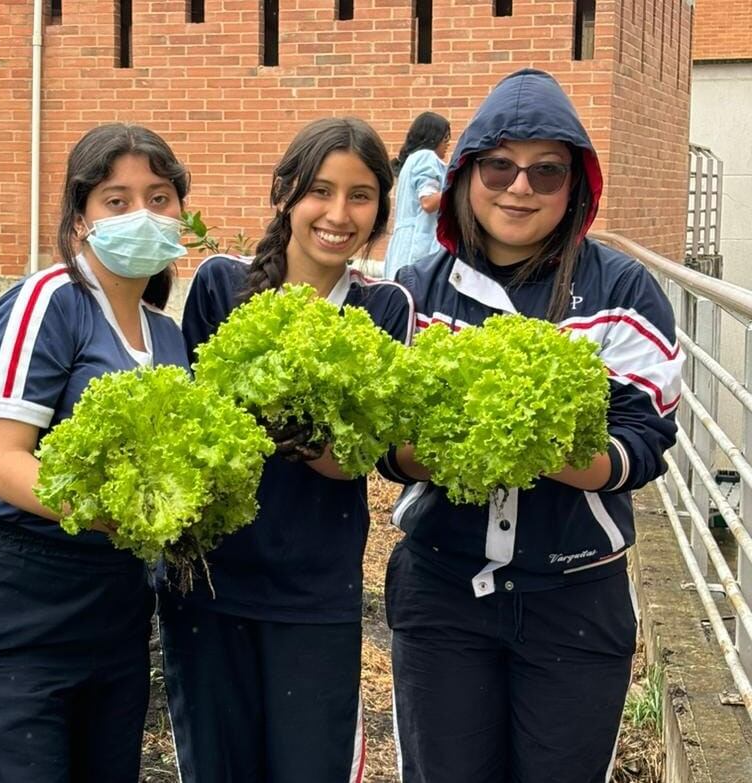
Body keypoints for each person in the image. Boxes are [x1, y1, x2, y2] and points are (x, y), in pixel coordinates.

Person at [380, 68, 684, 783]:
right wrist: (440, 449)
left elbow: (644, 441)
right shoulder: (416, 291)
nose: (520, 187)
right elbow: (386, 447)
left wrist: (543, 450)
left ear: (575, 183)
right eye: (500, 166)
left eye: (546, 172)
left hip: (574, 598)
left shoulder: (621, 291)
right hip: (443, 594)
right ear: (467, 173)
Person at [158, 117, 415, 783]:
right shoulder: (220, 284)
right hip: (208, 587)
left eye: (360, 196)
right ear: (285, 194)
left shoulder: (382, 307)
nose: (338, 214)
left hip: (314, 588)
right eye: (320, 191)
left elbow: (354, 456)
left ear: (381, 209)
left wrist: (278, 418)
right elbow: (193, 430)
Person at [0, 123, 191, 783]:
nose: (142, 214)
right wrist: (121, 510)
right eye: (117, 199)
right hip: (19, 593)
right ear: (79, 219)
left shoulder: (167, 337)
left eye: (160, 197)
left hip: (114, 604)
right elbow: (2, 460)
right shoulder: (49, 302)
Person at [383, 111, 451, 279]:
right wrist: (459, 189)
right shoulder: (426, 157)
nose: (448, 144)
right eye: (446, 138)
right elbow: (428, 202)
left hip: (403, 244)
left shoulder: (411, 160)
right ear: (435, 138)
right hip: (418, 243)